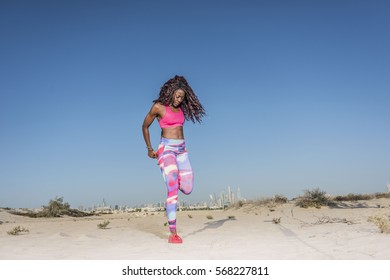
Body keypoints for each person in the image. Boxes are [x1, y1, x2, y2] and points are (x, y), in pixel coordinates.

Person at [142, 75, 205, 244]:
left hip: (182, 150)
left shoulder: (182, 110)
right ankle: (173, 234)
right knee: (172, 189)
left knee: (188, 188)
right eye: (177, 96)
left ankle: (173, 179)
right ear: (170, 93)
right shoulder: (158, 107)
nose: (179, 99)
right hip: (166, 149)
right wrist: (149, 149)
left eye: (182, 97)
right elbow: (144, 126)